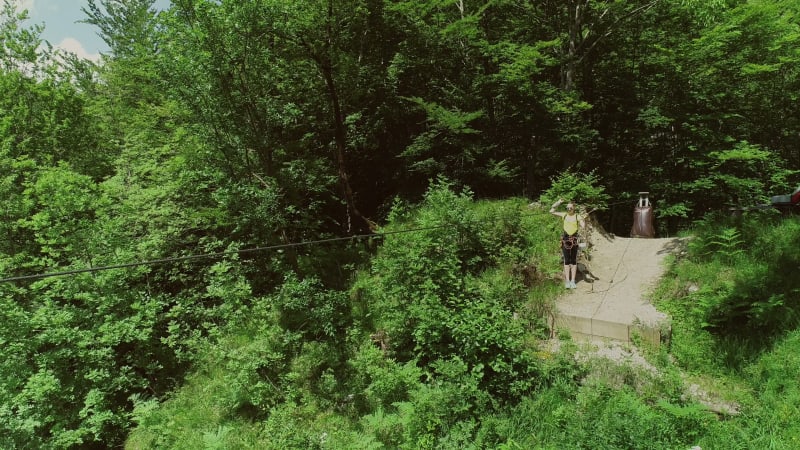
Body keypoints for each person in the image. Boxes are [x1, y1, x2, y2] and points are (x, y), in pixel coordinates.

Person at [550, 198, 585, 289]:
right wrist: (558, 202)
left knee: (573, 260)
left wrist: (582, 221)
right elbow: (551, 211)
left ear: (574, 208)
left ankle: (573, 281)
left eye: (570, 208)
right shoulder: (564, 215)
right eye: (567, 208)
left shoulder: (577, 216)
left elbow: (583, 225)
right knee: (566, 260)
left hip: (574, 240)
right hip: (565, 240)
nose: (569, 209)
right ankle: (567, 281)